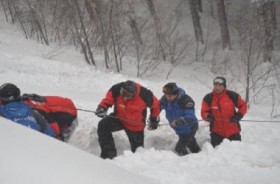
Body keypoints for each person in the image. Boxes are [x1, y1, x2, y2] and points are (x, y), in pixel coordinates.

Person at [95, 80, 160, 159]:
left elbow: (156, 105)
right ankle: (109, 154)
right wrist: (102, 107)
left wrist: (153, 119)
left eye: (128, 95)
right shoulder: (116, 88)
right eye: (123, 92)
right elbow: (108, 99)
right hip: (119, 118)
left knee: (138, 152)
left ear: (134, 94)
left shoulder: (145, 95)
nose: (124, 97)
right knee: (103, 125)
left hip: (135, 125)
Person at [201, 76, 248, 147]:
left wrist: (239, 115)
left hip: (233, 132)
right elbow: (203, 112)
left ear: (224, 86)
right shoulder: (208, 98)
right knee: (217, 155)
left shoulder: (232, 95)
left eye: (220, 85)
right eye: (215, 85)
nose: (217, 87)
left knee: (237, 154)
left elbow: (243, 105)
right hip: (216, 133)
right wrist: (208, 116)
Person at [160, 82, 200, 156]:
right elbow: (157, 108)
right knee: (190, 143)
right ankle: (199, 154)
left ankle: (185, 162)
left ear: (176, 94)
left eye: (170, 96)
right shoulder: (165, 99)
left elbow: (190, 117)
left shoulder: (186, 100)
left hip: (190, 128)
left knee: (179, 148)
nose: (167, 98)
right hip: (179, 129)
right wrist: (154, 119)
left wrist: (179, 121)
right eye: (166, 96)